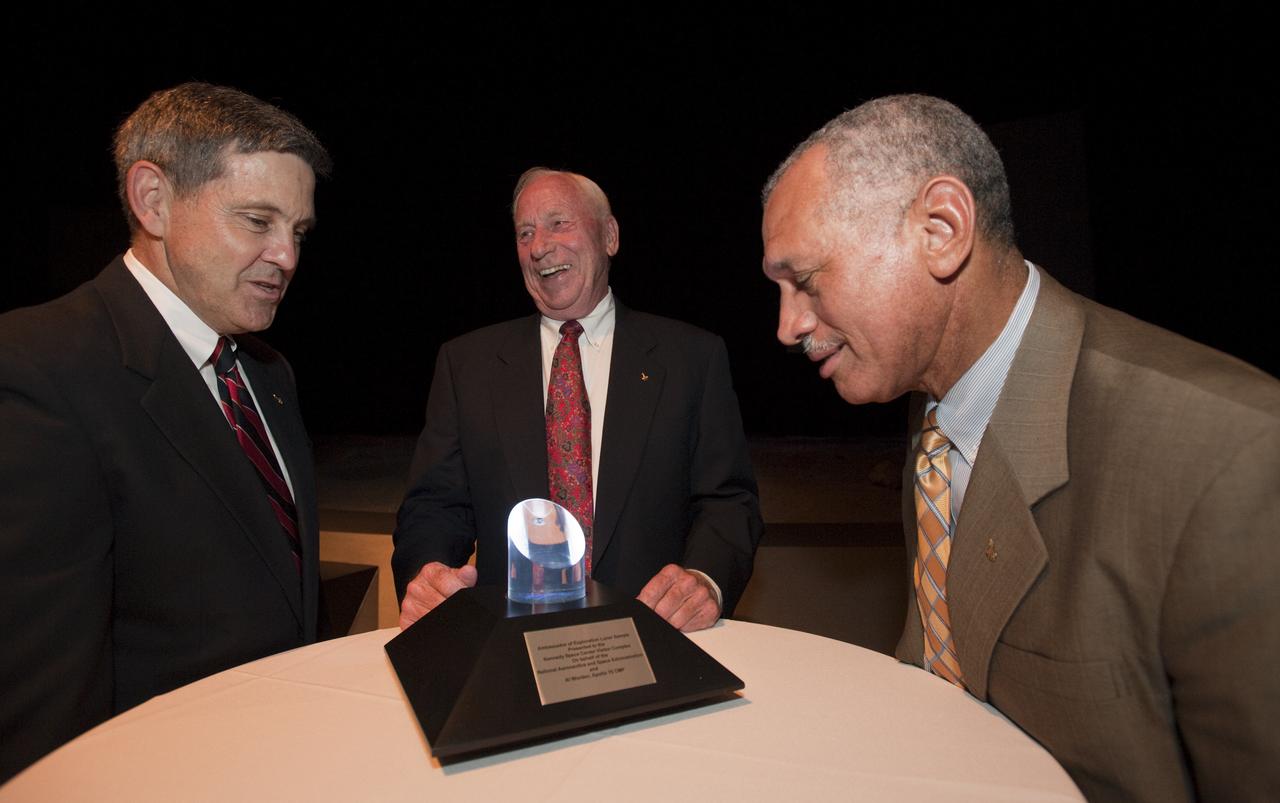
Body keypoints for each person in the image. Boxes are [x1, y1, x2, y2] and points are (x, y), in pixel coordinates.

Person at [760, 95, 1278, 802]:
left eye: (806, 280)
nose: (787, 326)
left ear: (942, 229)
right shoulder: (934, 408)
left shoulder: (1233, 454)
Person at [0, 82, 331, 782]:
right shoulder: (39, 365)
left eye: (297, 231)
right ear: (153, 201)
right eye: (256, 220)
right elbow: (43, 701)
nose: (287, 257)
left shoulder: (270, 376)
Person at [394, 168, 762, 632]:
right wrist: (426, 574)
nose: (539, 246)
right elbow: (433, 506)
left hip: (656, 641)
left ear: (609, 235)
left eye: (558, 223)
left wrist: (706, 581)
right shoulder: (466, 364)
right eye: (524, 232)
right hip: (509, 649)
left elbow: (728, 501)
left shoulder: (692, 357)